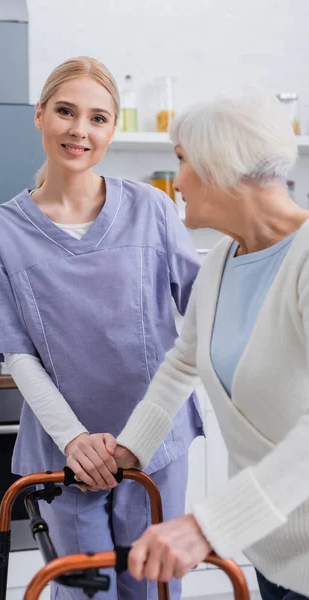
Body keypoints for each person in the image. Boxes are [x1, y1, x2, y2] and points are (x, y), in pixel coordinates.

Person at [0, 56, 203, 600]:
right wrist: (74, 440)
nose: (80, 130)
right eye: (66, 112)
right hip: (65, 454)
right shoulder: (2, 229)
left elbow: (205, 312)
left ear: (113, 128)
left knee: (153, 589)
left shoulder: (152, 209)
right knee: (82, 592)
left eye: (98, 118)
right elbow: (17, 352)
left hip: (155, 447)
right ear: (40, 115)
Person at [114, 90, 309, 600]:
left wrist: (205, 526)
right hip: (272, 545)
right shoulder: (223, 260)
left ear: (223, 164)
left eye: (181, 160)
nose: (175, 182)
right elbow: (183, 362)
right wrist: (128, 451)